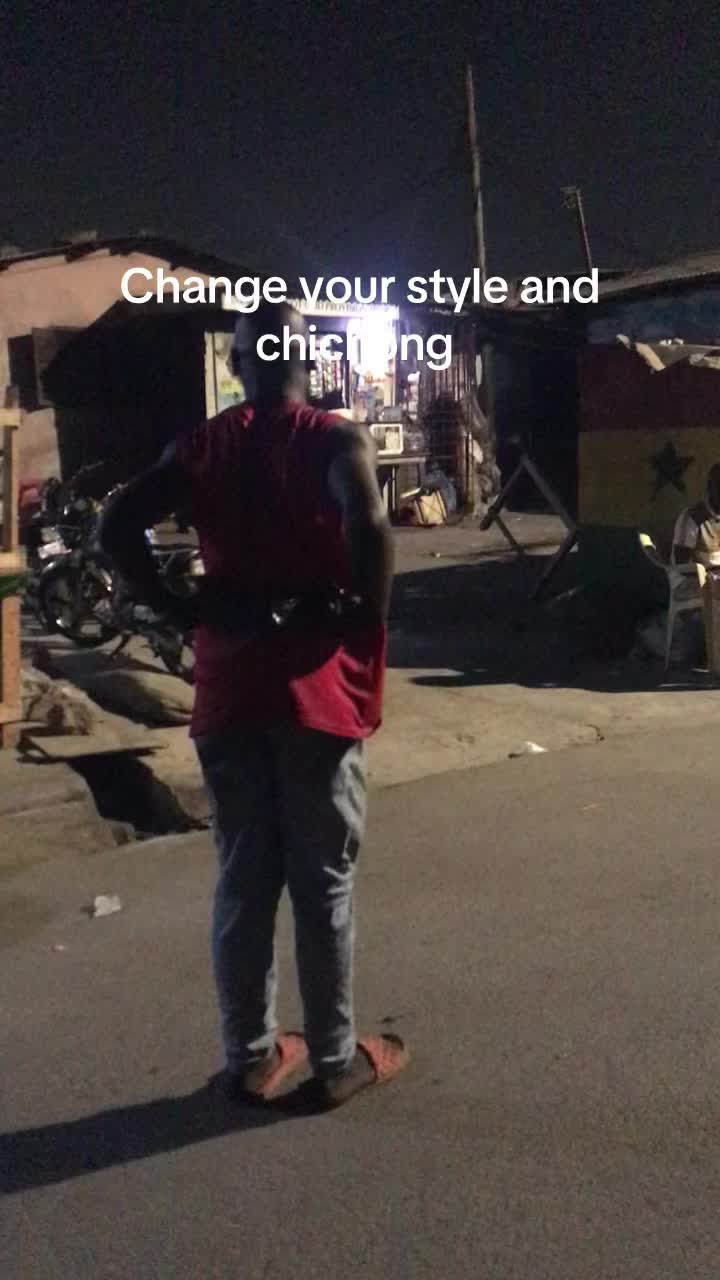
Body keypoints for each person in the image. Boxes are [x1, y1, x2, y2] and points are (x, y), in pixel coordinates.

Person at [99, 301, 408, 1110]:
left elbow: (115, 525)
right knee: (322, 885)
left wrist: (176, 608)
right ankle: (334, 1059)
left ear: (236, 366)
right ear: (311, 363)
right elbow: (372, 529)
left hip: (229, 691)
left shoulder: (200, 447)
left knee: (244, 880)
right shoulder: (335, 441)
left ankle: (251, 1057)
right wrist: (361, 616)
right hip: (313, 694)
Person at [672, 463, 720, 568]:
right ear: (709, 488)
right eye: (718, 486)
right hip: (697, 575)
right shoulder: (692, 518)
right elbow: (681, 565)